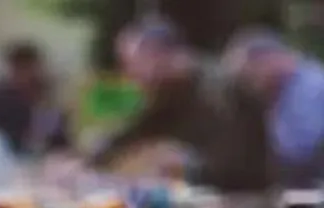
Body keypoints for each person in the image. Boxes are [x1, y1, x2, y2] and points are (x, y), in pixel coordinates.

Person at [90, 17, 271, 191]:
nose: (130, 75)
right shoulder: (171, 89)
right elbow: (142, 129)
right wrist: (97, 154)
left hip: (247, 199)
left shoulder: (222, 91)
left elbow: (233, 166)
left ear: (159, 56)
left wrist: (183, 164)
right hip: (210, 192)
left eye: (132, 64)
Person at [225, 29, 324, 187]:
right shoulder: (281, 90)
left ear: (270, 59)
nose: (250, 85)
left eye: (249, 75)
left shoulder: (311, 87)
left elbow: (299, 149)